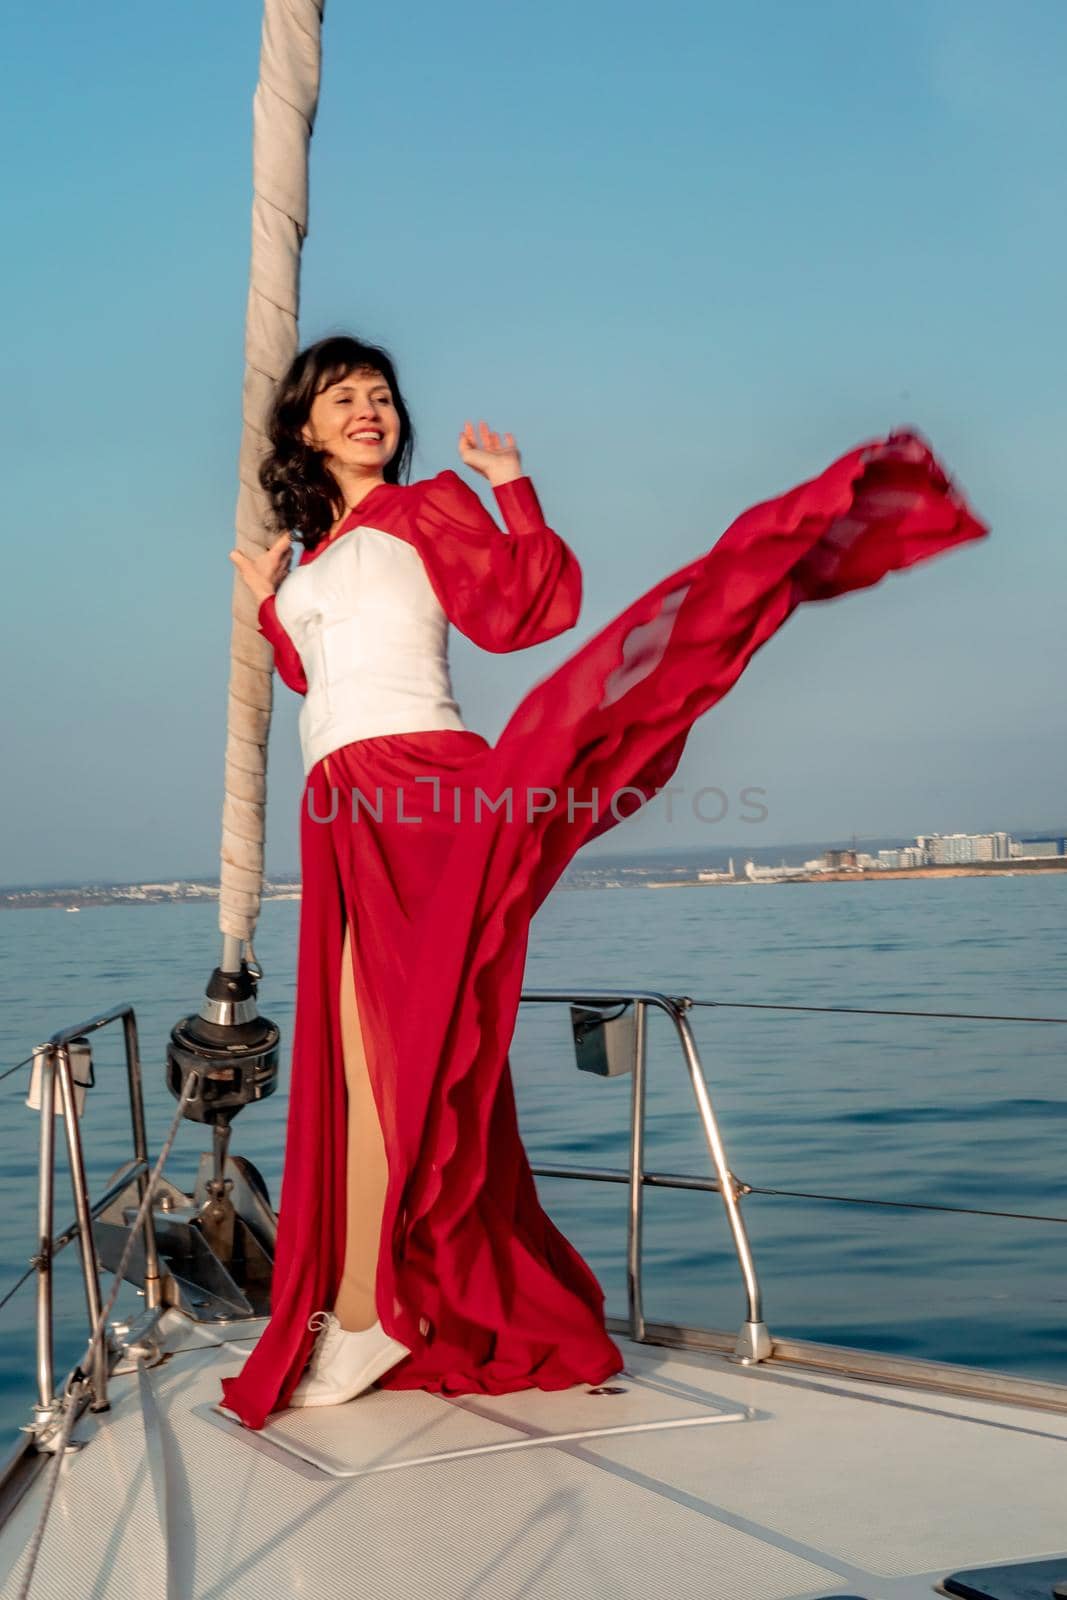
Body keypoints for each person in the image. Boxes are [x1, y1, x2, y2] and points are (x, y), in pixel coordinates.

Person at [220, 333, 986, 1431]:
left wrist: (511, 491)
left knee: (396, 1052)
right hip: (338, 811)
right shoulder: (319, 550)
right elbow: (315, 672)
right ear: (303, 425)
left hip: (419, 786)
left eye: (380, 394)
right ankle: (388, 1297)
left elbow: (527, 609)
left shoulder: (430, 506)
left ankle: (364, 1305)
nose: (367, 409)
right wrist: (268, 602)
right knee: (355, 1060)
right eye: (342, 396)